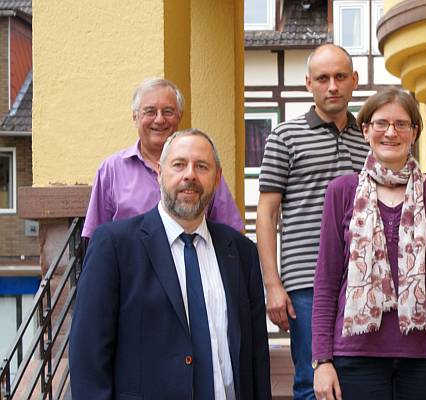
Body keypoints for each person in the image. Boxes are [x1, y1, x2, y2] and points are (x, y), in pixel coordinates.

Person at [70, 129, 271, 399]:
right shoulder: (115, 246)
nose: (190, 175)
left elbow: (256, 358)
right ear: (159, 172)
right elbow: (88, 354)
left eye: (202, 166)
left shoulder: (241, 253)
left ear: (217, 178)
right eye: (179, 165)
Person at [312, 88, 426, 400]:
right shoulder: (341, 191)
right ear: (366, 129)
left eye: (401, 124)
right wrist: (321, 361)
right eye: (381, 123)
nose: (390, 132)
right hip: (356, 355)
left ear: (414, 132)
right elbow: (327, 282)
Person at [256, 44, 369, 400]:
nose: (332, 86)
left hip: (364, 279)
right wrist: (273, 284)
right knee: (311, 380)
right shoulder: (285, 137)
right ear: (308, 83)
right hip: (306, 282)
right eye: (323, 78)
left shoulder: (370, 139)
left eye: (339, 77)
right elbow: (266, 213)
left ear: (354, 80)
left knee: (359, 377)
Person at [82, 77, 243, 238]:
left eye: (168, 112)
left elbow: (231, 235)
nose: (159, 120)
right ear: (135, 118)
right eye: (150, 111)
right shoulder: (111, 170)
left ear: (179, 116)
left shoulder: (201, 170)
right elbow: (96, 239)